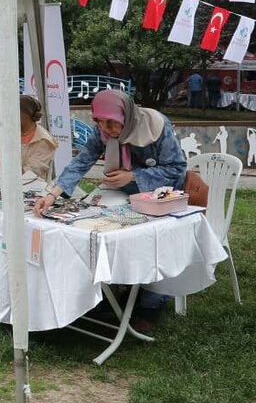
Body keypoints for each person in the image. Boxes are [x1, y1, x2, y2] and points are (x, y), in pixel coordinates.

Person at [33, 89, 188, 329]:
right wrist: (52, 194)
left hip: (161, 195)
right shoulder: (102, 130)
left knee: (150, 240)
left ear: (126, 115)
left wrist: (133, 175)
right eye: (100, 122)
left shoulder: (156, 125)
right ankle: (119, 289)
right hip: (125, 193)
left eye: (112, 123)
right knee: (108, 231)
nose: (107, 130)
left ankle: (152, 301)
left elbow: (177, 168)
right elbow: (81, 161)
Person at [16, 95, 57, 180]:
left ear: (25, 116)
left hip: (32, 187)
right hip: (9, 183)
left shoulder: (44, 141)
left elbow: (32, 172)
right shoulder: (13, 132)